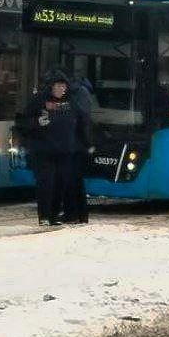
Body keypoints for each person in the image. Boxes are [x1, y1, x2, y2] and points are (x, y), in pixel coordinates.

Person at [22, 71, 86, 226]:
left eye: (64, 86)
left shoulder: (71, 101)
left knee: (60, 183)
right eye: (59, 85)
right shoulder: (39, 100)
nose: (62, 89)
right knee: (46, 184)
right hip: (43, 151)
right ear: (52, 86)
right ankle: (44, 216)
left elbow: (82, 121)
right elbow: (23, 122)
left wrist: (83, 143)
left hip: (64, 151)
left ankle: (53, 215)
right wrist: (37, 122)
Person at [64, 74, 94, 225]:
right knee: (75, 181)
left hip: (74, 146)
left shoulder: (76, 96)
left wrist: (87, 144)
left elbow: (82, 121)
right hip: (76, 145)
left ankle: (73, 214)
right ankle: (79, 215)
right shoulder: (80, 93)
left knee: (71, 181)